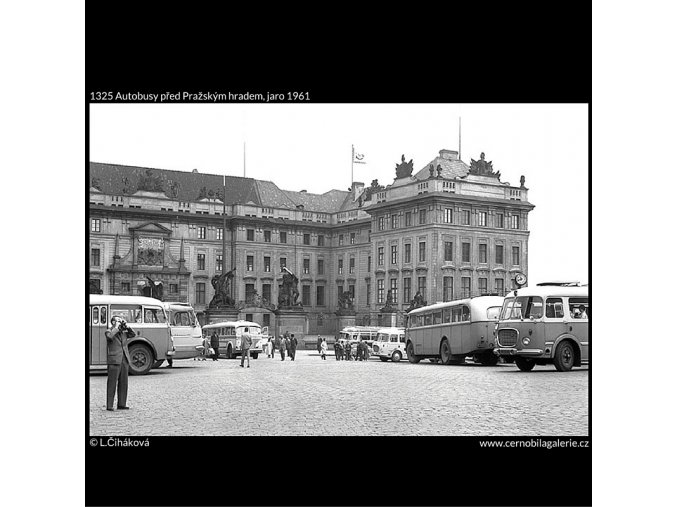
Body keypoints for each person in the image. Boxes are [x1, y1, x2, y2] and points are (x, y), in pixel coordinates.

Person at [105, 316, 135, 411]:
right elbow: (110, 337)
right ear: (113, 322)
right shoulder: (109, 331)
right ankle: (109, 405)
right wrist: (116, 328)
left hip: (124, 359)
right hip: (114, 360)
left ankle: (122, 404)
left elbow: (133, 334)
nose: (120, 322)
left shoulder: (123, 332)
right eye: (118, 320)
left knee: (123, 383)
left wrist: (127, 326)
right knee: (112, 383)